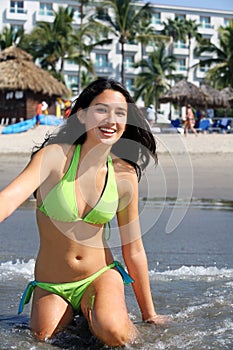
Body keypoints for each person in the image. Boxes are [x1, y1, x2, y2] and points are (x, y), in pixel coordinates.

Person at [0, 78, 168, 347]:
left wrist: (150, 315)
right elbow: (8, 200)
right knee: (43, 338)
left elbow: (133, 249)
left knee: (115, 334)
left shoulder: (124, 175)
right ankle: (88, 319)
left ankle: (105, 316)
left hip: (99, 275)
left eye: (120, 113)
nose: (111, 119)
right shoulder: (54, 158)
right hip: (53, 282)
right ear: (82, 115)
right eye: (101, 110)